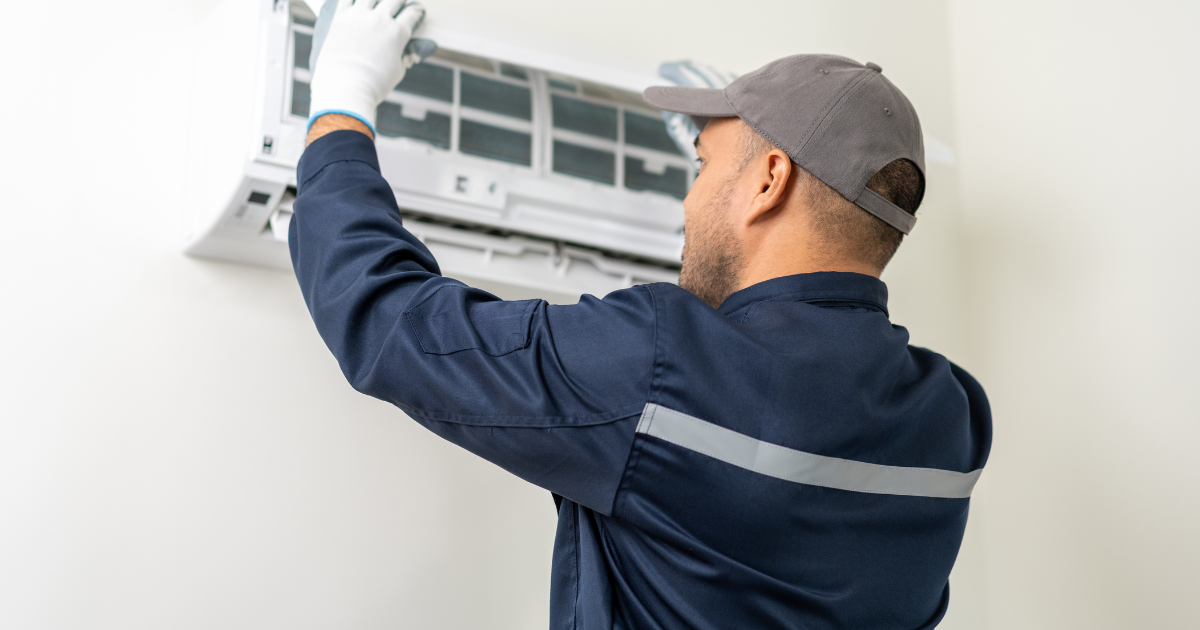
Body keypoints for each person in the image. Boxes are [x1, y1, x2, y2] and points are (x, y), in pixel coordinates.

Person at [291, 1, 992, 628]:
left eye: (700, 167)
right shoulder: (953, 422)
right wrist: (731, 187)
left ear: (770, 180)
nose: (690, 200)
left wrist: (342, 101)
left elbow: (390, 322)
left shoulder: (655, 365)